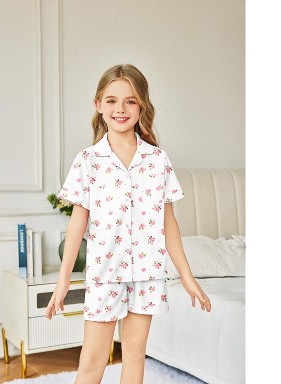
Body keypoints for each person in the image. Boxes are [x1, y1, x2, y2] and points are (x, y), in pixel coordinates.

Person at [45, 64, 211, 384]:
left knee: (135, 356)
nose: (120, 109)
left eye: (130, 101)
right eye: (111, 101)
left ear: (141, 106)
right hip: (105, 273)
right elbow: (77, 224)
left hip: (147, 273)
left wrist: (187, 276)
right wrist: (64, 279)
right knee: (92, 360)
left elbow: (169, 223)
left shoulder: (157, 160)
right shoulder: (88, 161)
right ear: (98, 105)